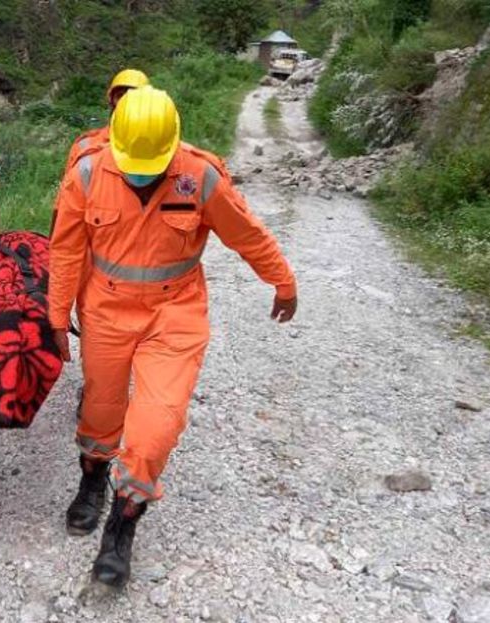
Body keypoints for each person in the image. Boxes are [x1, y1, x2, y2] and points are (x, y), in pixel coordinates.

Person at [48, 86, 298, 587]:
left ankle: (122, 524)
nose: (144, 171)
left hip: (175, 313)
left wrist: (282, 279)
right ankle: (93, 477)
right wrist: (56, 318)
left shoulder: (200, 176)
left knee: (156, 426)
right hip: (105, 309)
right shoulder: (88, 173)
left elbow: (245, 233)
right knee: (101, 408)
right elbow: (66, 250)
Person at [52, 68, 150, 235]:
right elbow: (64, 205)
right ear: (112, 101)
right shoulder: (85, 146)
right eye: (121, 95)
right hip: (96, 234)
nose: (126, 102)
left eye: (133, 96)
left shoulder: (157, 146)